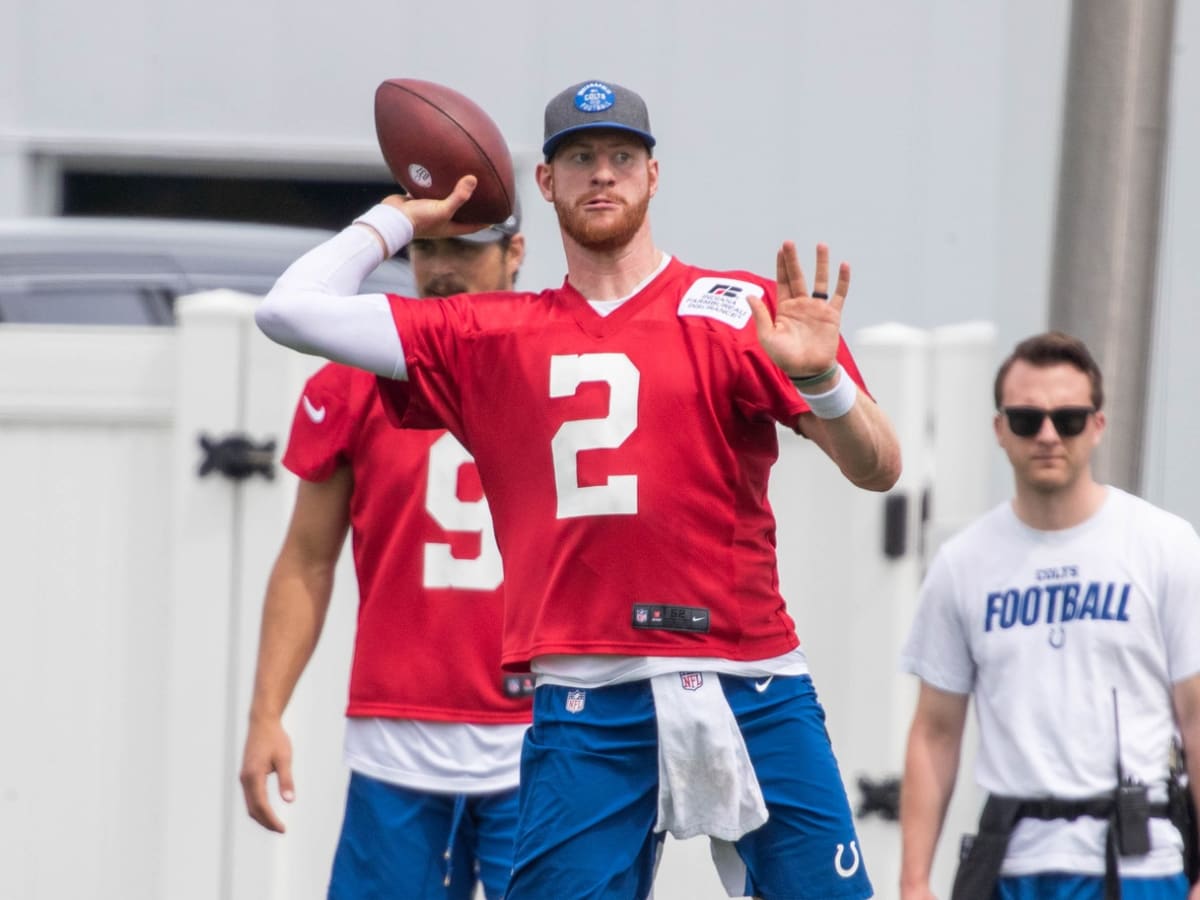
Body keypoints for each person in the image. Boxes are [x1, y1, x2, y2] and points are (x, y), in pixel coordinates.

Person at [255, 78, 902, 899]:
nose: (604, 175)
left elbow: (879, 466)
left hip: (751, 674)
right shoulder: (489, 331)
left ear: (654, 175)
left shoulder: (739, 308)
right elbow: (288, 310)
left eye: (621, 157)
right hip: (586, 701)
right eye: (581, 158)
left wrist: (823, 386)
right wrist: (398, 218)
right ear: (546, 183)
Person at [239, 209, 531, 900]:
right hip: (398, 737)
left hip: (543, 734)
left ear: (515, 250)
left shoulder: (560, 359)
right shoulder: (354, 375)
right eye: (423, 247)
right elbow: (307, 558)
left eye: (462, 245)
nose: (439, 266)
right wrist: (266, 714)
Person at [898, 331, 1200, 900]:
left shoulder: (1164, 544)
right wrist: (914, 881)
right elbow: (936, 732)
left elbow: (1196, 716)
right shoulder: (963, 563)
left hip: (1139, 860)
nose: (1046, 436)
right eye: (1025, 419)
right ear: (998, 430)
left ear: (1097, 426)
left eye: (1068, 419)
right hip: (1011, 864)